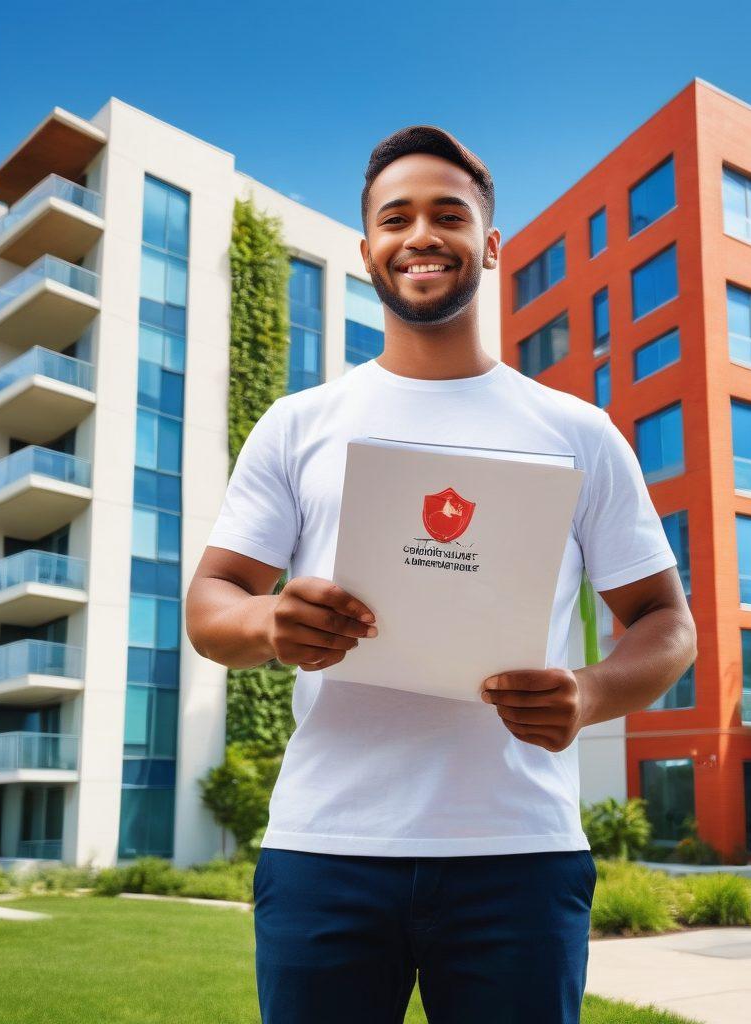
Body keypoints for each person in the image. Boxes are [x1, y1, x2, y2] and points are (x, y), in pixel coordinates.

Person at [185, 125, 697, 1024]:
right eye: (397, 217)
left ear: (490, 244)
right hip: (325, 848)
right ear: (368, 249)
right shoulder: (299, 424)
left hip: (519, 851)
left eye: (448, 214)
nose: (421, 234)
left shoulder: (576, 430)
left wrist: (590, 690)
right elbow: (210, 603)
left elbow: (665, 620)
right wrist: (268, 623)